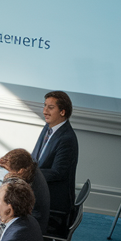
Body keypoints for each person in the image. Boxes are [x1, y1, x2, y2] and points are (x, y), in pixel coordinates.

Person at [32, 90, 79, 233]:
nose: (45, 111)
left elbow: (58, 173)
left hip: (52, 204)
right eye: (45, 106)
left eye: (50, 108)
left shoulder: (67, 139)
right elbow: (36, 158)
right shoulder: (48, 127)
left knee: (7, 209)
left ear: (62, 112)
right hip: (40, 189)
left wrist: (27, 174)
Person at [0, 148, 50, 234]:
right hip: (32, 222)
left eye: (9, 171)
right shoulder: (32, 171)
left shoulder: (25, 189)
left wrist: (6, 181)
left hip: (27, 229)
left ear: (21, 171)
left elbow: (7, 210)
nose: (7, 173)